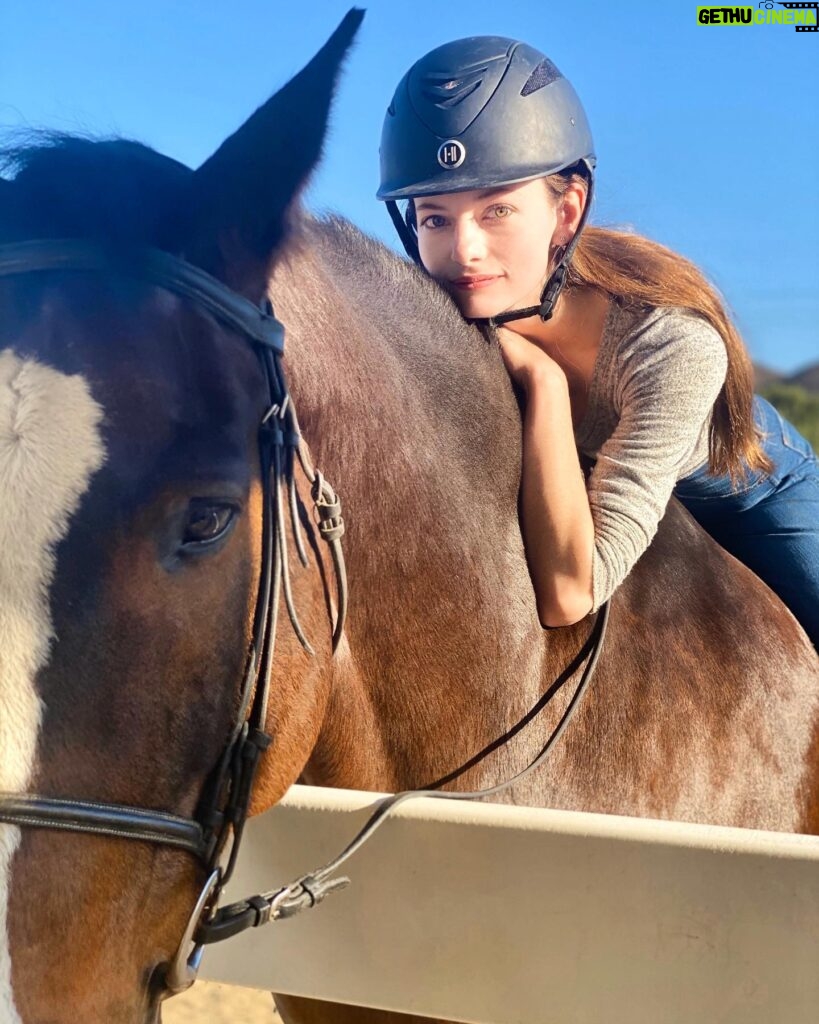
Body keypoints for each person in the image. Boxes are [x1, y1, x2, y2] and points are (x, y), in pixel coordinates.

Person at [376, 35, 819, 649]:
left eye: (496, 211)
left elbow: (569, 595)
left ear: (566, 210)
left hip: (745, 490)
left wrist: (545, 382)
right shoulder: (433, 315)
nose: (464, 251)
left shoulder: (672, 344)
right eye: (435, 218)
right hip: (599, 479)